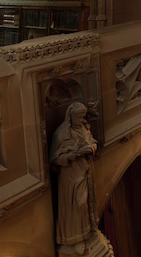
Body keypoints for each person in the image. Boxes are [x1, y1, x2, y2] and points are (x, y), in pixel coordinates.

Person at [50, 101, 99, 248]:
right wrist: (75, 154)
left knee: (87, 202)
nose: (81, 119)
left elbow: (93, 141)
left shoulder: (84, 128)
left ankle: (87, 233)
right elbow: (55, 159)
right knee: (77, 204)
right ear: (70, 116)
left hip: (86, 170)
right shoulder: (60, 135)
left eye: (83, 116)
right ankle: (74, 239)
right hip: (70, 175)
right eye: (78, 117)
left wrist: (91, 148)